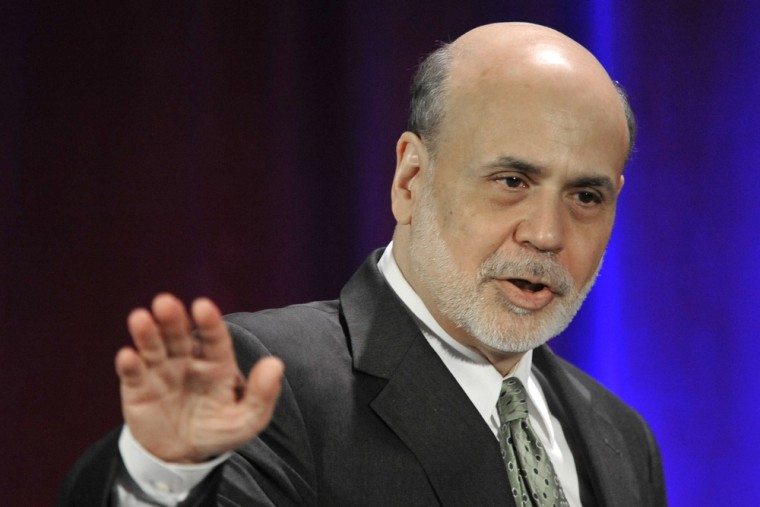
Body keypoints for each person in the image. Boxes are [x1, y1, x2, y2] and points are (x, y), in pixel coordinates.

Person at [58, 22, 666, 507]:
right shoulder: (275, 379)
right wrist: (162, 476)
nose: (547, 233)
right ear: (410, 178)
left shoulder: (620, 437)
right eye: (511, 180)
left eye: (586, 197)